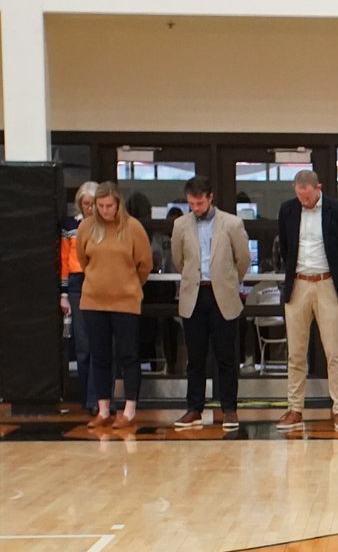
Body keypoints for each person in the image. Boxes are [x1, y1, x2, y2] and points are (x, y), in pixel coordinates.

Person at [275, 170, 338, 433]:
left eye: (307, 197)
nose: (304, 201)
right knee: (296, 353)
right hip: (298, 284)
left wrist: (337, 279)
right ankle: (294, 408)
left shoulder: (337, 210)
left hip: (327, 282)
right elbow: (285, 247)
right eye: (299, 196)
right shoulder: (287, 210)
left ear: (318, 188)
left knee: (334, 352)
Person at [170, 176, 251, 430]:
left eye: (200, 202)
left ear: (210, 197)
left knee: (226, 356)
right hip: (195, 295)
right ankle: (194, 408)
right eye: (191, 203)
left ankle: (229, 409)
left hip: (222, 295)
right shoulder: (181, 225)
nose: (196, 208)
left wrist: (228, 281)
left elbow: (243, 259)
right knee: (195, 357)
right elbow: (178, 260)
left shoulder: (232, 223)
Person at [75, 182, 153, 429]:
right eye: (100, 206)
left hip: (125, 301)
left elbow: (145, 264)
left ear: (118, 204)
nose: (105, 210)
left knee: (128, 355)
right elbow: (83, 259)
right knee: (99, 356)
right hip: (93, 300)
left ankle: (129, 410)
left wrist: (129, 285)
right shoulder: (86, 227)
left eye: (109, 205)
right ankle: (103, 409)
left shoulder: (133, 228)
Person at [60, 181, 98, 413]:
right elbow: (64, 261)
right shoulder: (69, 226)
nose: (90, 208)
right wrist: (63, 293)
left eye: (93, 204)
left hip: (98, 282)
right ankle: (86, 397)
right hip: (76, 283)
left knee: (98, 345)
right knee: (82, 346)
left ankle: (97, 399)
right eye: (86, 204)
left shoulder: (104, 227)